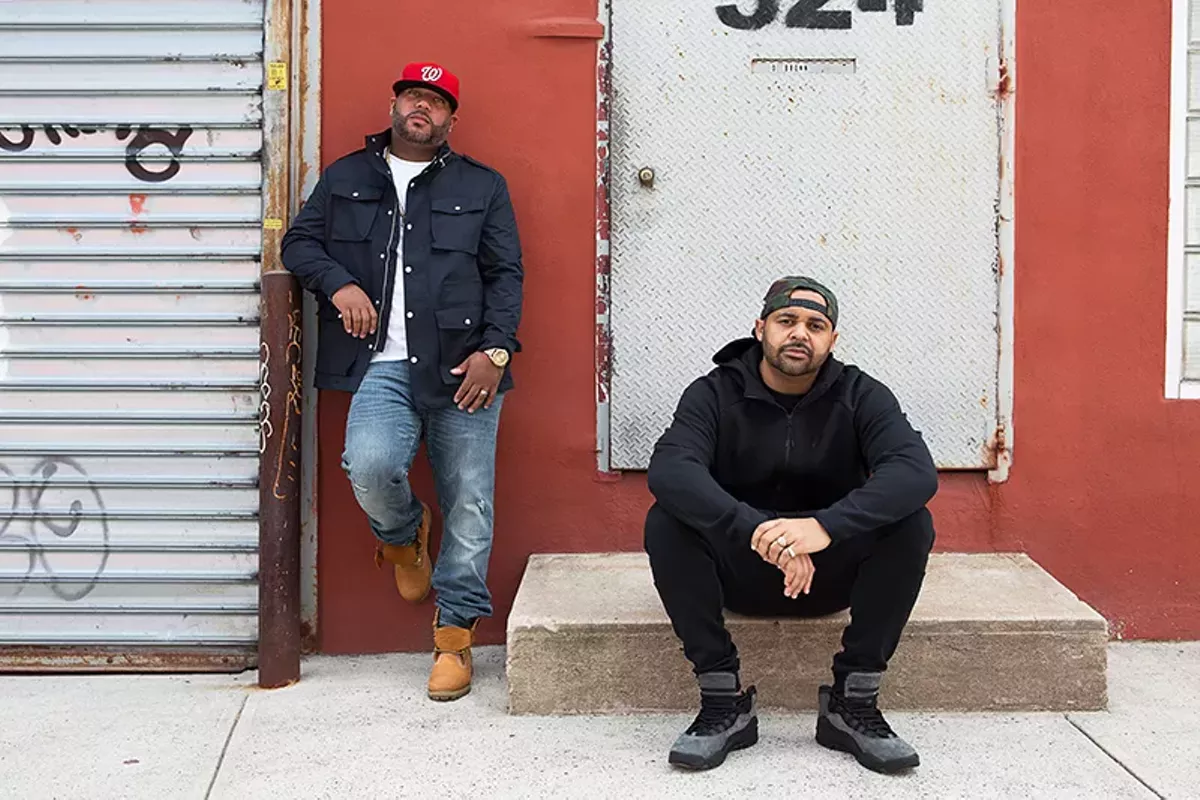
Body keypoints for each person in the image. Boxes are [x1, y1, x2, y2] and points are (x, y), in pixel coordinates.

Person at [280, 62, 523, 701]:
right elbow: (298, 246)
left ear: (451, 119)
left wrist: (495, 354)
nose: (424, 109)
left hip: (463, 367)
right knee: (369, 462)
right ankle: (402, 536)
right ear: (395, 103)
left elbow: (506, 275)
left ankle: (454, 640)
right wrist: (341, 284)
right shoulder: (346, 177)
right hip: (380, 367)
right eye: (415, 96)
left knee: (469, 502)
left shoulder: (482, 185)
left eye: (438, 102)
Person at [643, 276, 937, 773]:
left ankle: (853, 703)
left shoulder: (861, 393)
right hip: (740, 571)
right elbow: (671, 469)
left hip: (829, 573)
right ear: (761, 329)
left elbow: (914, 470)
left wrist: (823, 528)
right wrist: (761, 532)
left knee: (912, 522)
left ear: (832, 340)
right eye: (787, 321)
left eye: (816, 325)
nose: (800, 333)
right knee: (666, 521)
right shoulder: (713, 393)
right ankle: (723, 701)